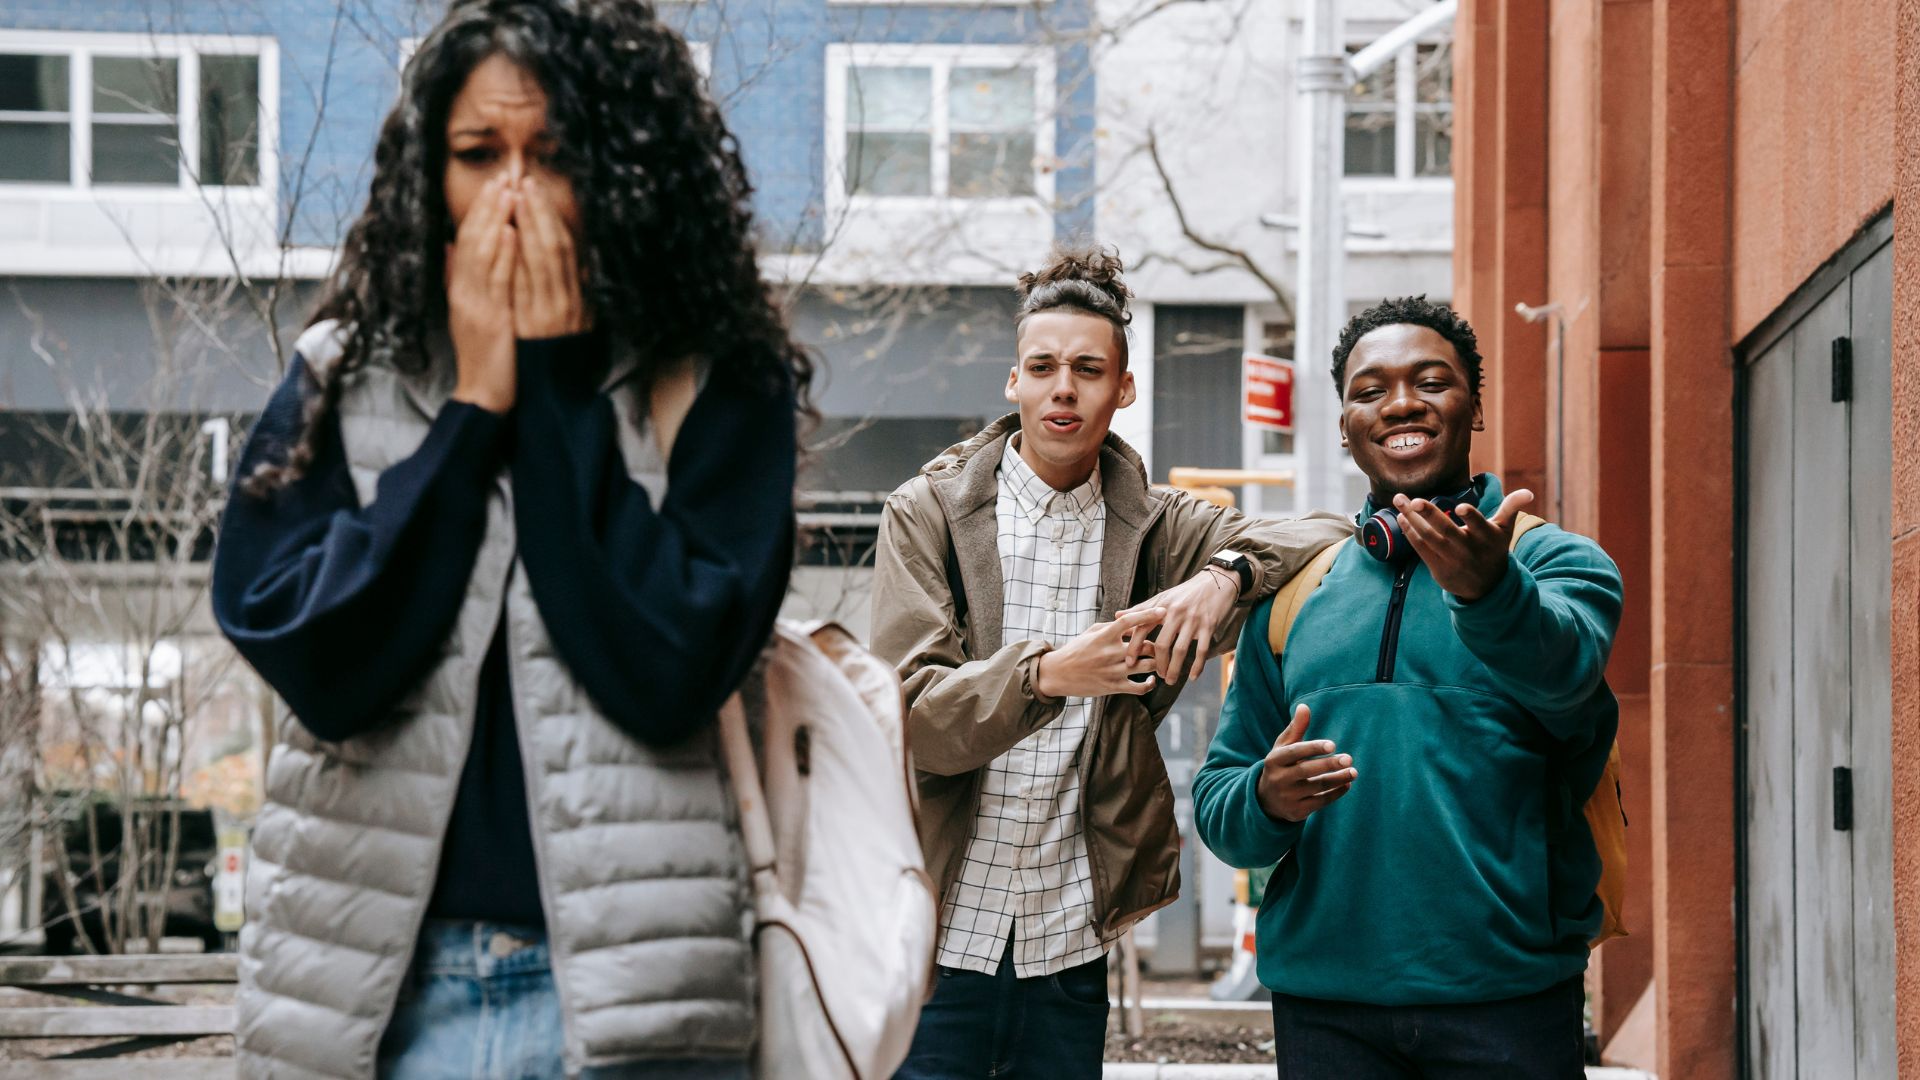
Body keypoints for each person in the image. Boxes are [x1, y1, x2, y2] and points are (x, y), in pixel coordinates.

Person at [210, 2, 808, 1076]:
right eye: (479, 155)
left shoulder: (717, 376)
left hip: (638, 1008)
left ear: (628, 173)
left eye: (558, 155)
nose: (515, 194)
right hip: (382, 1007)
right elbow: (315, 656)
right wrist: (473, 411)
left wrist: (558, 392)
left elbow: (665, 666)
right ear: (428, 180)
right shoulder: (345, 373)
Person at [871, 248, 1350, 1079]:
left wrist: (1222, 575)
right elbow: (912, 722)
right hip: (937, 932)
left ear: (1123, 389)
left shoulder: (1161, 527)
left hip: (1067, 938)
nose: (1065, 388)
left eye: (1089, 369)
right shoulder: (931, 514)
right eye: (1045, 367)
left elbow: (1329, 535)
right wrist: (1047, 675)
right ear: (1012, 382)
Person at [1192, 296, 1624, 1079]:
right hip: (1325, 1012)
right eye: (1369, 390)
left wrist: (1492, 596)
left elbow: (1567, 685)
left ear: (1475, 408)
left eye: (1431, 382)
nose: (1399, 404)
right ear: (1345, 423)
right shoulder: (1295, 595)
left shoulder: (1561, 565)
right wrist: (1266, 798)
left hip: (1510, 1001)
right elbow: (1220, 805)